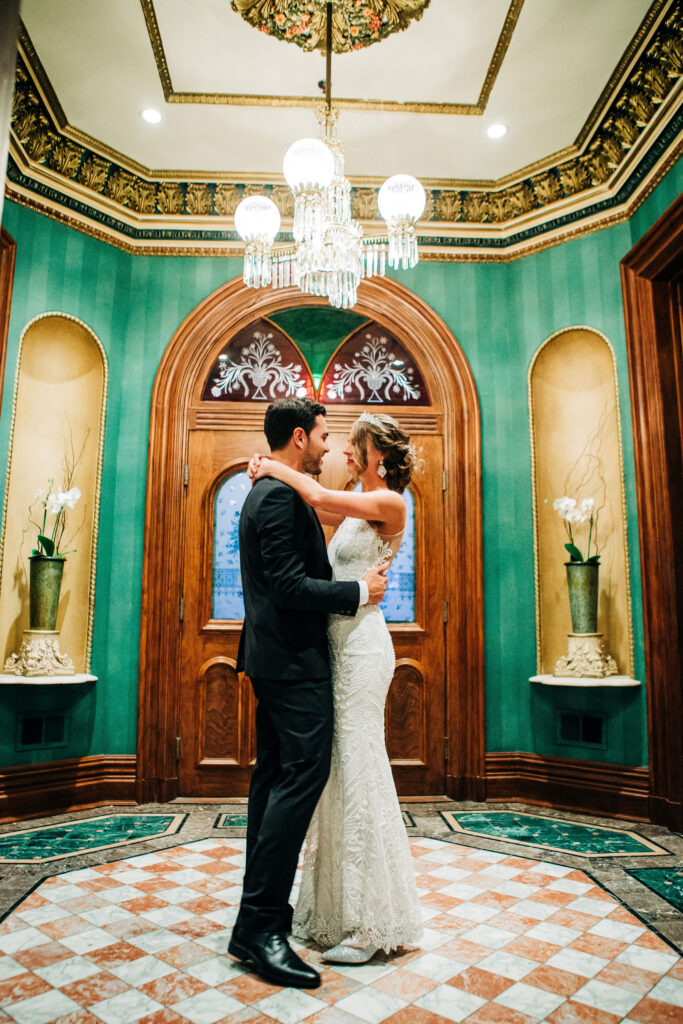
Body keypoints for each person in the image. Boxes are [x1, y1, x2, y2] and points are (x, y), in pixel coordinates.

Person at [248, 410, 423, 965]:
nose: (344, 452)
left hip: (364, 651)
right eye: (338, 441)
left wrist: (271, 468)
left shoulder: (390, 503)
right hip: (335, 648)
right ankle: (332, 911)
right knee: (336, 778)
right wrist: (275, 473)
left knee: (361, 769)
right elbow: (312, 550)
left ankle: (372, 925)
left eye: (353, 445)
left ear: (376, 453)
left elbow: (318, 499)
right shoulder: (355, 500)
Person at [228, 398, 388, 989]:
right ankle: (261, 925)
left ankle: (259, 918)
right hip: (293, 665)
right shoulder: (275, 497)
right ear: (299, 437)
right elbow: (291, 586)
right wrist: (357, 592)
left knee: (273, 783)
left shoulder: (278, 488)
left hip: (280, 661)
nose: (327, 447)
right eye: (323, 436)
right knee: (297, 781)